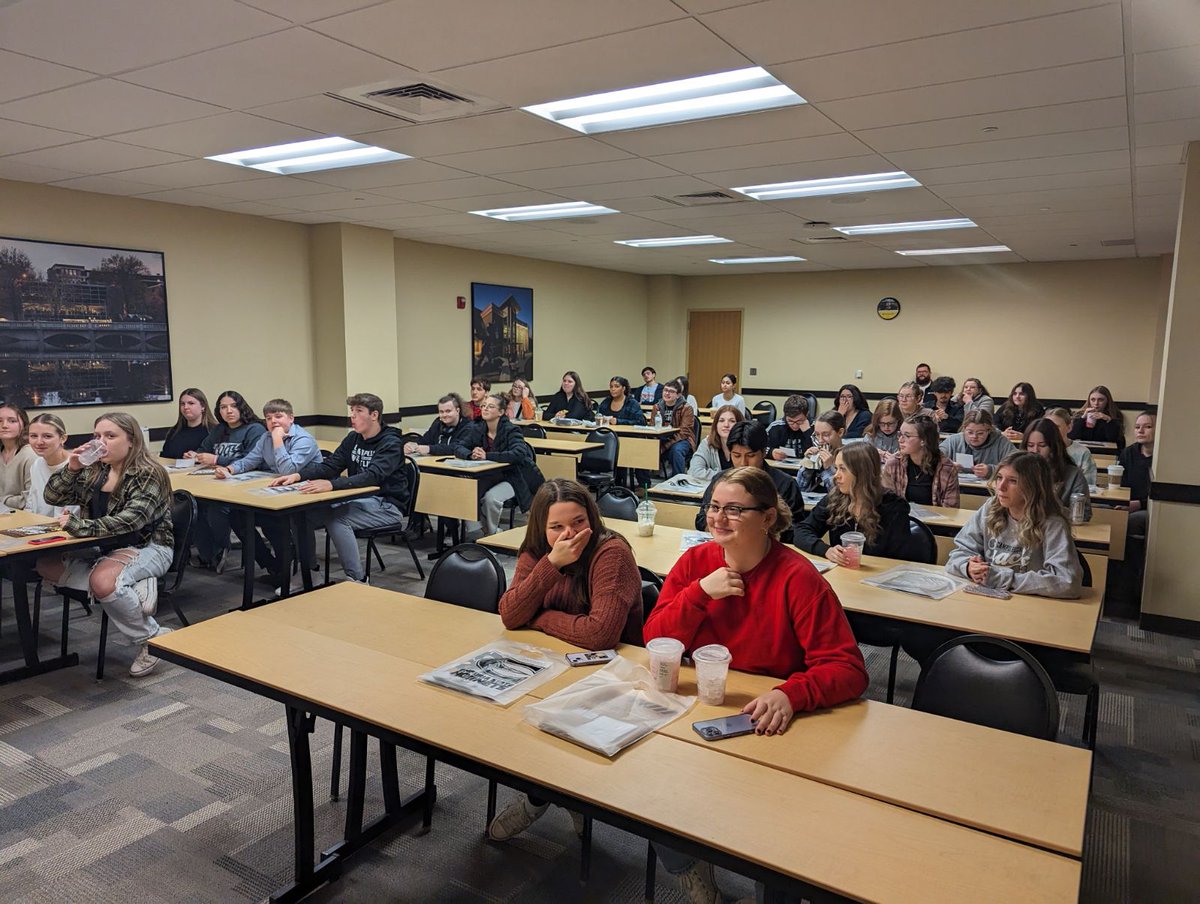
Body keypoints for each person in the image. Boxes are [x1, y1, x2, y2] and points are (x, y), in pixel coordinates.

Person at [646, 466, 867, 904]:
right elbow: (655, 639)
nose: (718, 518)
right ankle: (692, 870)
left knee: (772, 834)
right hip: (700, 711)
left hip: (764, 722)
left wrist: (792, 692)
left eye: (734, 510)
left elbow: (848, 668)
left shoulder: (797, 577)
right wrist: (699, 594)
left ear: (768, 518)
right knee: (651, 791)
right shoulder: (696, 563)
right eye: (713, 507)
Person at [487, 479, 643, 843]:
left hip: (617, 676)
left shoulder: (610, 552)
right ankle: (549, 792)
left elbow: (599, 634)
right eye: (557, 526)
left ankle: (542, 797)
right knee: (512, 719)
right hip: (553, 665)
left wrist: (537, 617)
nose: (570, 533)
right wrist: (551, 565)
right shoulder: (538, 553)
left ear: (592, 516)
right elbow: (510, 614)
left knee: (553, 722)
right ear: (542, 528)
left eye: (578, 521)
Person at [37, 412, 175, 677]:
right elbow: (52, 495)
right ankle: (125, 587)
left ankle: (153, 640)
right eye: (97, 436)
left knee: (103, 582)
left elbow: (131, 521)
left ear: (132, 441)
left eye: (110, 436)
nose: (101, 442)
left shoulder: (148, 473)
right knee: (45, 565)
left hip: (149, 547)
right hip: (104, 545)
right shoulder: (95, 469)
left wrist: (80, 527)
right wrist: (72, 467)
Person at [273, 393, 409, 584]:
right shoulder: (352, 438)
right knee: (302, 517)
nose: (352, 416)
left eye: (358, 411)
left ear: (374, 415)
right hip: (357, 499)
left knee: (338, 520)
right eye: (351, 411)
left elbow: (372, 476)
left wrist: (331, 485)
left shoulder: (391, 442)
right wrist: (298, 475)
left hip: (387, 504)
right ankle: (309, 573)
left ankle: (358, 579)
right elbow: (331, 466)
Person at [214, 398, 323, 585]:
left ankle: (291, 567)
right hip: (277, 494)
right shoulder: (265, 438)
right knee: (237, 516)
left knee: (274, 520)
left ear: (291, 419)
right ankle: (272, 565)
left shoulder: (304, 440)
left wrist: (277, 439)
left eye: (278, 417)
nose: (273, 422)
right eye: (268, 418)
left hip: (303, 499)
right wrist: (230, 469)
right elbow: (250, 460)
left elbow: (288, 470)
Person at [946, 452, 1082, 598]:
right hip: (989, 599)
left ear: (1033, 487)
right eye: (999, 478)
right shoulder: (990, 508)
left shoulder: (1053, 524)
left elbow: (1067, 583)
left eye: (1013, 481)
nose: (1001, 487)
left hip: (1033, 606)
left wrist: (1001, 578)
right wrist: (969, 567)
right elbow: (958, 553)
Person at [188, 391, 267, 572]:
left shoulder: (254, 429)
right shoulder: (219, 429)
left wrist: (217, 460)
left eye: (233, 406)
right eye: (223, 407)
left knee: (217, 509)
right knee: (194, 506)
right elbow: (204, 448)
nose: (228, 411)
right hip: (217, 481)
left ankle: (221, 548)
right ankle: (209, 555)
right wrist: (196, 455)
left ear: (242, 408)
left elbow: (251, 461)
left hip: (243, 485)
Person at [796, 443, 912, 563]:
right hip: (843, 573)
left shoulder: (894, 506)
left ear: (861, 473)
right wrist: (826, 550)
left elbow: (899, 558)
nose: (836, 476)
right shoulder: (835, 499)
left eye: (843, 469)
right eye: (836, 468)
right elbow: (802, 530)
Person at [694, 421, 804, 542]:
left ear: (763, 453)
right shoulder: (720, 480)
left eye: (750, 456)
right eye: (736, 456)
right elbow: (701, 520)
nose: (743, 463)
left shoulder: (785, 484)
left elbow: (795, 531)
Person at [454, 394, 544, 536]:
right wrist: (471, 454)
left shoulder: (511, 430)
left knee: (491, 498)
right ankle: (481, 530)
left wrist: (487, 456)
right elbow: (458, 447)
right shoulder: (478, 428)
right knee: (467, 493)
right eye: (484, 406)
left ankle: (492, 535)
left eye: (490, 406)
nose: (485, 409)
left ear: (501, 412)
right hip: (489, 475)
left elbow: (519, 454)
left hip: (514, 477)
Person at [883, 414, 960, 507]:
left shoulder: (946, 468)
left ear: (923, 440)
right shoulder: (894, 463)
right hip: (902, 518)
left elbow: (951, 509)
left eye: (907, 436)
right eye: (900, 434)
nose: (900, 440)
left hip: (934, 520)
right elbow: (886, 502)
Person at [1024, 418, 1092, 522]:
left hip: (1056, 529)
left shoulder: (1073, 474)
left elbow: (1084, 514)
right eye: (1030, 445)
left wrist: (1053, 509)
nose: (1035, 450)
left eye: (1042, 445)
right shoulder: (1019, 470)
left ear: (1054, 446)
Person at [25, 414, 78, 517]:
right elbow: (31, 504)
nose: (39, 442)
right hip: (37, 526)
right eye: (33, 436)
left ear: (63, 438)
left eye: (47, 436)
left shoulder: (75, 466)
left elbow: (71, 514)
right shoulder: (37, 465)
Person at [939, 409, 1017, 479]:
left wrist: (991, 470)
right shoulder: (954, 440)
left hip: (989, 490)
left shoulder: (1001, 443)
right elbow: (933, 457)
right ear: (964, 428)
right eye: (970, 432)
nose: (974, 437)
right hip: (957, 489)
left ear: (989, 430)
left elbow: (1016, 466)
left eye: (980, 433)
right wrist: (947, 465)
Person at [1117, 411, 1154, 536]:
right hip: (1128, 502)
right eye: (1137, 427)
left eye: (1148, 427)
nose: (1141, 431)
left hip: (1150, 507)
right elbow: (1122, 483)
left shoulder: (1163, 458)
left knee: (1131, 521)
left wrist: (1139, 504)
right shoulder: (1128, 453)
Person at [407, 393, 476, 456]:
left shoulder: (469, 426)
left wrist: (430, 449)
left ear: (457, 411)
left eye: (448, 411)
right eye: (441, 412)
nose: (444, 415)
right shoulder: (438, 423)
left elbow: (457, 447)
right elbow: (425, 440)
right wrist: (413, 445)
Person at [688, 404, 743, 482]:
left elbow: (745, 476)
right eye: (721, 420)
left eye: (732, 421)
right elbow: (694, 471)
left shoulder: (745, 445)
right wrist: (728, 476)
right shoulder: (707, 443)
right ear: (716, 425)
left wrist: (711, 475)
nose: (726, 425)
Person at [160, 387, 217, 459]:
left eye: (191, 403)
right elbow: (165, 456)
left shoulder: (214, 431)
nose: (186, 407)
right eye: (182, 404)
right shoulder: (174, 431)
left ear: (203, 406)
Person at [1045, 407, 1097, 485]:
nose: (1052, 430)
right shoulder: (1040, 449)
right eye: (1048, 427)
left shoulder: (1082, 452)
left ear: (1069, 427)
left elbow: (1088, 483)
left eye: (1057, 427)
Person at [797, 411, 845, 494]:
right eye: (817, 435)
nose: (820, 441)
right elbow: (801, 487)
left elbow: (838, 494)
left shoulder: (849, 457)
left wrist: (829, 469)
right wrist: (808, 465)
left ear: (840, 432)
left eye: (826, 435)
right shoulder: (816, 453)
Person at [656, 379, 697, 476]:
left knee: (676, 450)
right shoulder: (657, 407)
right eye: (665, 390)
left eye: (671, 391)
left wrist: (665, 446)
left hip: (682, 439)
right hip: (663, 438)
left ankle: (678, 480)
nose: (667, 393)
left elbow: (684, 432)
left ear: (678, 395)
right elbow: (653, 427)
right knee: (644, 446)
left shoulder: (686, 408)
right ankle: (644, 483)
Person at [0, 403, 35, 511]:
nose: (4, 425)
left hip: (24, 518)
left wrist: (2, 500)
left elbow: (31, 499)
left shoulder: (30, 455)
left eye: (12, 421)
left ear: (24, 425)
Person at [1069, 385, 1125, 449]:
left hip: (1106, 452)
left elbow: (1116, 440)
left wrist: (1109, 421)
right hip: (1085, 450)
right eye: (1093, 400)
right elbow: (1071, 436)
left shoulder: (1115, 415)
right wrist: (1082, 418)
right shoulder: (1080, 415)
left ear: (1107, 401)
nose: (1096, 403)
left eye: (1100, 400)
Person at [767, 394, 814, 460]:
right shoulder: (776, 426)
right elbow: (760, 448)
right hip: (780, 466)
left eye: (799, 421)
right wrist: (771, 452)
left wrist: (808, 432)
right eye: (790, 421)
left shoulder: (814, 426)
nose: (794, 425)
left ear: (807, 415)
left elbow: (820, 451)